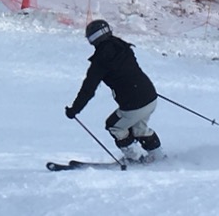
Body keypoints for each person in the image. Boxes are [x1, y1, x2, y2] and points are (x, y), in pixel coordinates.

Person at [65, 19, 162, 162]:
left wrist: (75, 109)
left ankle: (135, 157)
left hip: (133, 104)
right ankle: (158, 156)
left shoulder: (100, 60)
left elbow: (88, 89)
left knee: (114, 126)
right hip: (150, 96)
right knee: (139, 129)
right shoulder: (122, 46)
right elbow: (128, 72)